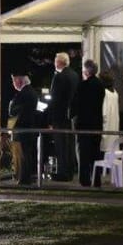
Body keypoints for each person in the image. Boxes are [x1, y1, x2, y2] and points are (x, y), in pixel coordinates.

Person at [72, 60, 105, 187]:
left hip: (84, 124)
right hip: (97, 124)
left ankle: (84, 180)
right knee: (95, 153)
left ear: (86, 71)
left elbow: (76, 105)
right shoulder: (100, 85)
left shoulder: (83, 86)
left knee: (83, 154)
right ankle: (96, 180)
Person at [48, 52, 79, 181]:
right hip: (71, 116)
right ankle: (71, 169)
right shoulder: (75, 75)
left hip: (60, 117)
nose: (54, 63)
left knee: (61, 145)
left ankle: (63, 173)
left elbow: (54, 99)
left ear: (60, 62)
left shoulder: (59, 77)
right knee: (69, 145)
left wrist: (49, 118)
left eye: (55, 60)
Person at [8, 72, 40, 185]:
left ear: (19, 81)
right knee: (27, 154)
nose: (13, 83)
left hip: (21, 129)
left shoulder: (22, 94)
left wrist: (11, 104)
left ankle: (22, 179)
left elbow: (12, 111)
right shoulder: (33, 93)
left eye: (13, 80)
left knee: (21, 156)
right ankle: (27, 177)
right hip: (30, 127)